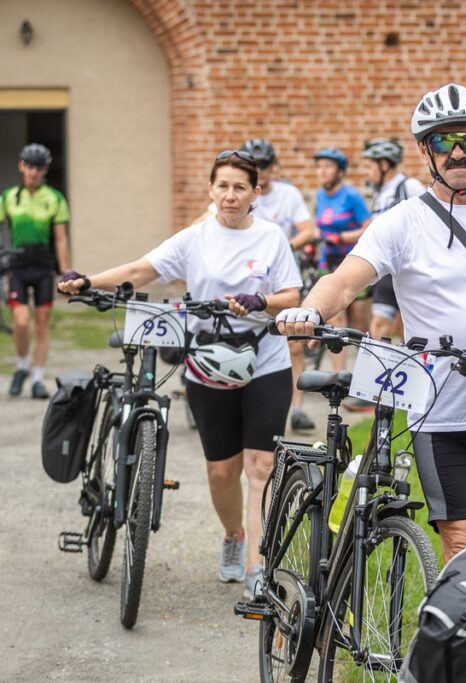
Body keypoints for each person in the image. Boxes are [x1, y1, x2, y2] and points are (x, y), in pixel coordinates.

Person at [278, 83, 466, 563]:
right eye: (442, 141)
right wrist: (311, 310)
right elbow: (345, 280)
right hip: (441, 408)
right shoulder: (401, 222)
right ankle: (458, 637)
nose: (458, 153)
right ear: (423, 150)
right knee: (463, 537)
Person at [58, 150, 302, 599]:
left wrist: (261, 302)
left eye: (240, 187)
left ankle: (258, 569)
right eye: (223, 186)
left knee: (261, 466)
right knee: (221, 473)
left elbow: (291, 293)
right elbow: (139, 270)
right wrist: (87, 281)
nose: (230, 195)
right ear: (211, 190)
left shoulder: (272, 238)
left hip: (264, 361)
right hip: (206, 365)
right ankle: (234, 536)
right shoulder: (194, 239)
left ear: (256, 194)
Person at [194, 138, 319, 431]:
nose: (260, 170)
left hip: (279, 269)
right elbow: (202, 222)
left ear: (273, 168)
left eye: (264, 165)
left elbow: (308, 230)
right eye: (256, 165)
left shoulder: (288, 195)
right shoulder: (234, 192)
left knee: (294, 344)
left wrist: (282, 246)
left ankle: (296, 408)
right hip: (241, 275)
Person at [1, 143, 70, 399]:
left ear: (45, 170)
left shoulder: (54, 198)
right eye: (29, 166)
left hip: (42, 266)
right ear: (22, 166)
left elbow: (61, 238)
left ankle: (38, 378)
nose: (33, 172)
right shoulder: (9, 197)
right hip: (17, 266)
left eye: (38, 168)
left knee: (42, 324)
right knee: (20, 321)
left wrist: (66, 274)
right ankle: (21, 367)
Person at [311, 146, 373, 378]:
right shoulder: (320, 196)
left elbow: (369, 227)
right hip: (328, 261)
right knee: (336, 317)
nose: (322, 171)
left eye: (328, 167)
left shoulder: (351, 196)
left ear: (340, 172)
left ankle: (367, 374)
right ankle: (341, 376)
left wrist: (342, 237)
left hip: (353, 261)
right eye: (319, 167)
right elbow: (321, 225)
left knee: (360, 320)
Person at [361, 137, 427, 340]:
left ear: (384, 164)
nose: (366, 172)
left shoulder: (409, 186)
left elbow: (428, 222)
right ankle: (376, 368)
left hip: (411, 264)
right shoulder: (379, 192)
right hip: (386, 265)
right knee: (379, 323)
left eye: (369, 166)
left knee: (407, 327)